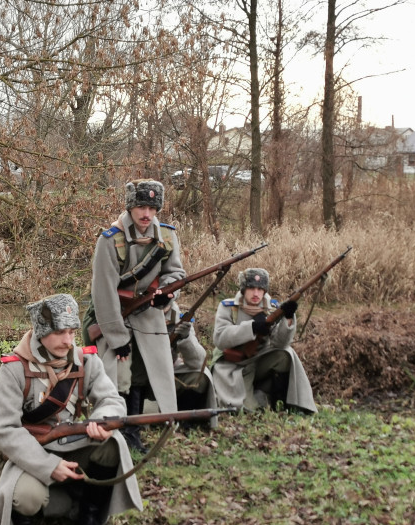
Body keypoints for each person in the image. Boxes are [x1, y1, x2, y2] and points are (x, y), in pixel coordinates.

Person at [0, 293, 143, 525]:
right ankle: (22, 520)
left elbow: (111, 399)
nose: (68, 340)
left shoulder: (86, 361)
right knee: (27, 498)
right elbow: (5, 430)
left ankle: (89, 516)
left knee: (112, 444)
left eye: (71, 331)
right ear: (41, 331)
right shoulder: (14, 369)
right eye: (60, 332)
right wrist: (49, 466)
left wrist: (100, 421)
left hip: (70, 444)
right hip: (27, 454)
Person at [87, 179, 185, 450]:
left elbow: (176, 273)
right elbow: (103, 294)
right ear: (130, 207)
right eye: (141, 206)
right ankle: (117, 430)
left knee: (144, 373)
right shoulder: (110, 240)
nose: (147, 214)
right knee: (119, 374)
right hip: (113, 317)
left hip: (149, 316)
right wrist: (117, 338)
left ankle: (135, 432)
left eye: (152, 208)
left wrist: (167, 293)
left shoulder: (167, 236)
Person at [209, 267, 317, 413]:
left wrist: (288, 318)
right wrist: (252, 328)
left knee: (285, 355)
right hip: (233, 366)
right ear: (243, 289)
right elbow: (220, 339)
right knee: (244, 410)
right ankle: (258, 399)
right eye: (251, 288)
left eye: (260, 289)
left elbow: (280, 344)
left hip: (259, 361)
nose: (256, 293)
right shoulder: (228, 307)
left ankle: (282, 403)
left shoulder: (272, 308)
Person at [163, 300, 219, 425]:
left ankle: (185, 417)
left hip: (168, 378)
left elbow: (198, 362)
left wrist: (186, 338)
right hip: (142, 384)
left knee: (201, 376)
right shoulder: (138, 315)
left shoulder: (178, 318)